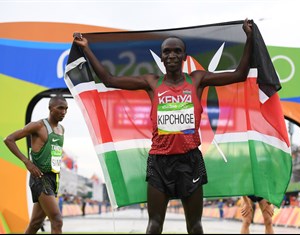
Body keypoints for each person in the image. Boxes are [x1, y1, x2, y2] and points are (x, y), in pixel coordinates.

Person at [73, 18, 253, 234]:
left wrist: (250, 37)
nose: (172, 55)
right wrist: (87, 49)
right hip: (160, 162)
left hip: (190, 161)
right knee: (154, 225)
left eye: (177, 51)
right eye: (167, 52)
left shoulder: (197, 80)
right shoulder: (152, 82)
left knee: (195, 226)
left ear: (184, 57)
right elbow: (109, 80)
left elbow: (239, 74)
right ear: (162, 58)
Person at [3, 95, 68, 234]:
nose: (64, 112)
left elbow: (54, 153)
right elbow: (9, 139)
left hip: (52, 180)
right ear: (50, 108)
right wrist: (27, 162)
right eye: (60, 108)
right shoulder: (38, 126)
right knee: (57, 219)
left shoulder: (62, 129)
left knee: (35, 224)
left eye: (66, 109)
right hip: (40, 178)